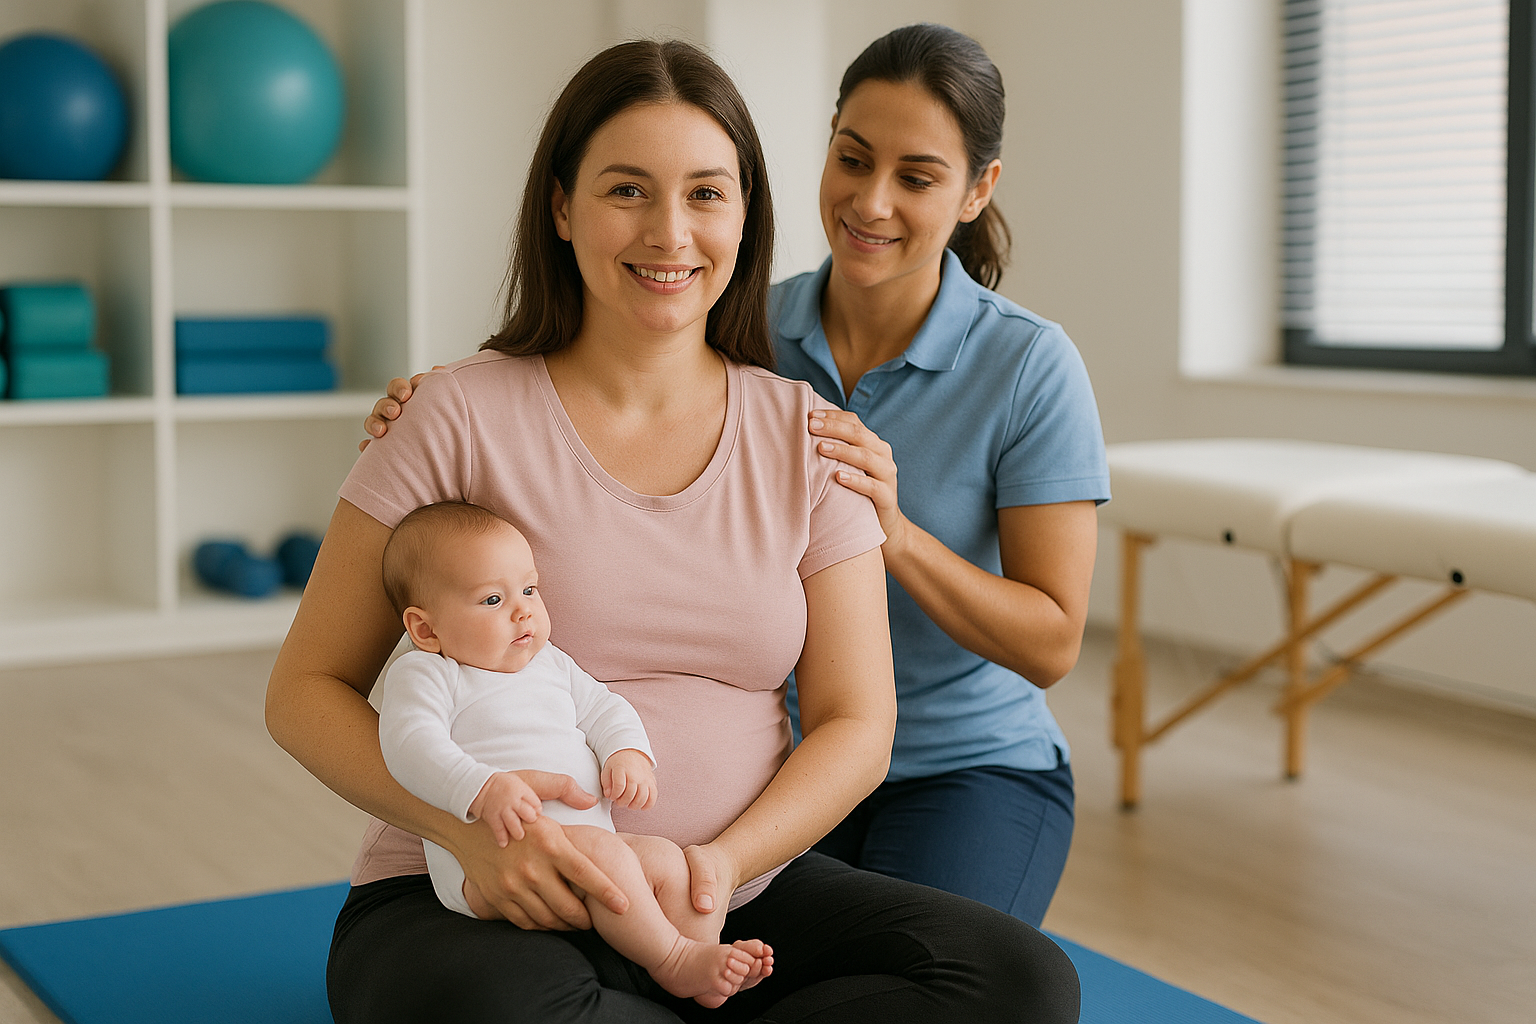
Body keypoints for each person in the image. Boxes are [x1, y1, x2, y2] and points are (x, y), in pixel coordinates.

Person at [272, 36, 1078, 1024]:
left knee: (1021, 982)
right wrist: (476, 835)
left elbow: (858, 724)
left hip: (727, 893)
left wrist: (712, 870)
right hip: (486, 898)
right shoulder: (453, 415)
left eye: (705, 193)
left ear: (745, 216)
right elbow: (304, 691)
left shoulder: (808, 435)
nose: (669, 232)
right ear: (562, 207)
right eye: (626, 191)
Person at [376, 500, 772, 1007]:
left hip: (584, 840)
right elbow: (409, 744)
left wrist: (627, 752)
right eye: (492, 600)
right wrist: (479, 788)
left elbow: (604, 707)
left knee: (671, 864)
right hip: (486, 863)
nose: (523, 610)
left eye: (529, 589)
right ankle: (672, 959)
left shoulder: (548, 662)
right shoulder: (429, 673)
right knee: (609, 855)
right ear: (426, 629)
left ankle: (699, 966)